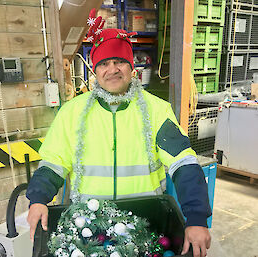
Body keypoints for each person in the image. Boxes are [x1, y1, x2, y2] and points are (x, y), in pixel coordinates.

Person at [26, 10, 211, 257]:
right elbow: (54, 162)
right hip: (89, 226)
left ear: (132, 67)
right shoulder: (72, 113)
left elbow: (184, 163)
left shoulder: (157, 110)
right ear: (95, 70)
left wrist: (196, 217)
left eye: (119, 61)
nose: (112, 69)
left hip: (145, 224)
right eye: (103, 63)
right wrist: (38, 199)